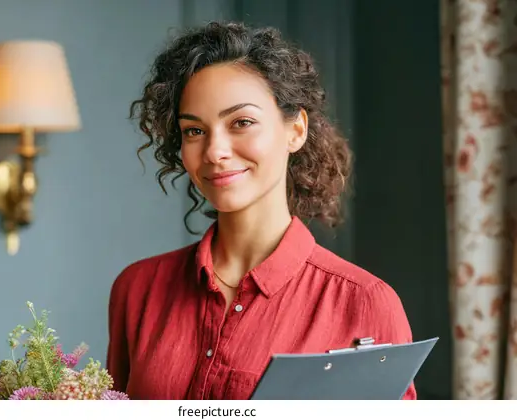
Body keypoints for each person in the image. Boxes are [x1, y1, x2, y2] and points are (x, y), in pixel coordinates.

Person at [106, 21, 415, 400]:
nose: (215, 151)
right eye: (194, 131)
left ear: (295, 130)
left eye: (242, 123)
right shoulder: (137, 289)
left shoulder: (364, 301)